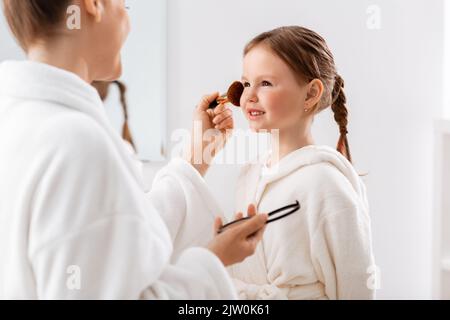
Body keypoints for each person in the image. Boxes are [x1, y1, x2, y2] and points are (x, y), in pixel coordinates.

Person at [0, 0, 267, 299]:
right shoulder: (77, 143)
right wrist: (213, 262)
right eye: (125, 6)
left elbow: (115, 246)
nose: (128, 21)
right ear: (93, 5)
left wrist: (195, 159)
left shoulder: (18, 121)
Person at [227, 26, 376, 299]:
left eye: (266, 83)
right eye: (247, 83)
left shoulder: (326, 184)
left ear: (310, 94)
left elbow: (357, 285)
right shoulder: (249, 175)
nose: (249, 96)